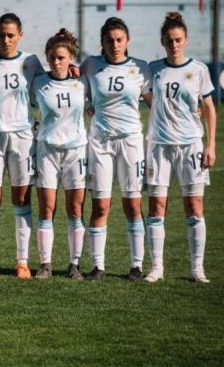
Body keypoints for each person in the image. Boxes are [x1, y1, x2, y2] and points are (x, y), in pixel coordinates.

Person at [144, 12, 216, 283]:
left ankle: (197, 269)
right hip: (159, 146)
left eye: (178, 40)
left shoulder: (198, 69)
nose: (173, 45)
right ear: (162, 41)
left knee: (194, 207)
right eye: (168, 40)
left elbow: (208, 108)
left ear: (185, 40)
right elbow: (137, 90)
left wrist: (210, 144)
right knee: (156, 207)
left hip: (190, 145)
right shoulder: (153, 68)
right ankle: (157, 268)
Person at [0, 13, 44, 280]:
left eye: (11, 35)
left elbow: (47, 84)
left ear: (20, 36)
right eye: (1, 35)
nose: (5, 40)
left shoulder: (31, 62)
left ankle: (22, 262)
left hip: (23, 137)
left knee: (22, 199)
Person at [81, 17, 152, 281]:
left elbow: (155, 103)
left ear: (127, 41)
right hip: (100, 142)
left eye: (119, 39)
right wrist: (88, 106)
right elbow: (77, 91)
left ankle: (136, 265)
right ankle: (97, 267)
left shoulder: (141, 68)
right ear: (102, 43)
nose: (114, 44)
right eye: (109, 40)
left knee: (133, 205)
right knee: (101, 206)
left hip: (131, 142)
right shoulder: (91, 65)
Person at [31, 28, 87, 280]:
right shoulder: (39, 83)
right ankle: (45, 264)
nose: (56, 62)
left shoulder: (82, 82)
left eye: (61, 58)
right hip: (47, 152)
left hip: (76, 151)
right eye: (52, 57)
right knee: (47, 208)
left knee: (75, 209)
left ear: (70, 59)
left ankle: (74, 265)